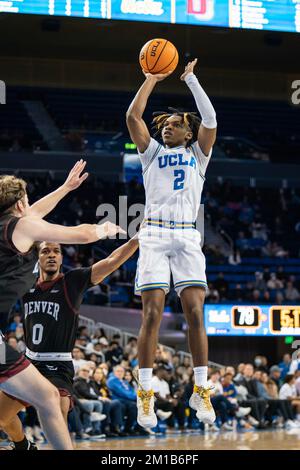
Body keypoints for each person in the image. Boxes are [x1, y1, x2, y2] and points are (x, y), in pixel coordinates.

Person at [0, 163, 123, 450]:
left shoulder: (9, 223)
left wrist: (65, 189)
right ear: (19, 202)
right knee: (47, 398)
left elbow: (33, 213)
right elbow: (80, 235)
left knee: (46, 397)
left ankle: (23, 446)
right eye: (27, 199)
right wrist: (102, 228)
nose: (30, 205)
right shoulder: (21, 225)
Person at [126, 58, 217, 428]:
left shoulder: (199, 154)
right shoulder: (150, 154)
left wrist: (191, 80)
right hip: (155, 233)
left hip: (186, 235)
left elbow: (210, 120)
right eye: (164, 125)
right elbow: (133, 117)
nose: (167, 128)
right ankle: (144, 395)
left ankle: (201, 389)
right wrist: (149, 80)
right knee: (151, 315)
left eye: (175, 125)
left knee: (195, 313)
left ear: (188, 134)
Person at [0, 235, 138, 446]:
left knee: (58, 421)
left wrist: (135, 241)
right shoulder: (26, 284)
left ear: (62, 258)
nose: (52, 255)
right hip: (29, 364)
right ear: (38, 258)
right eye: (46, 251)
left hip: (58, 366)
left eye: (56, 251)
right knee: (2, 418)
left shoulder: (72, 281)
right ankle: (23, 445)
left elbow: (110, 262)